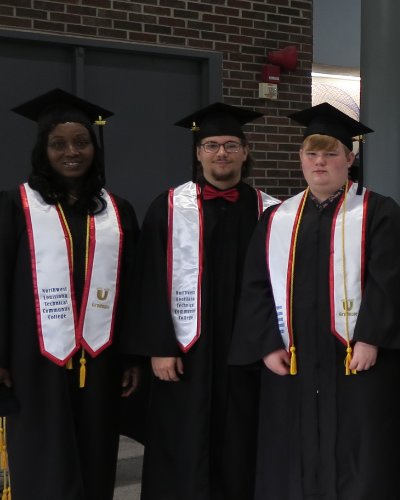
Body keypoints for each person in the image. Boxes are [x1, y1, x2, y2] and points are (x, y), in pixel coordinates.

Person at [229, 103, 400, 500]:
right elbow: (256, 287)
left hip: (357, 357)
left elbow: (392, 281)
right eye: (311, 153)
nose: (320, 162)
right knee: (292, 451)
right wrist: (266, 344)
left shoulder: (378, 213)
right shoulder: (277, 218)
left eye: (331, 153)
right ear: (300, 158)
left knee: (363, 451)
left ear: (350, 158)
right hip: (295, 357)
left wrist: (370, 338)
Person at [130, 102, 280, 500]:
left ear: (246, 152)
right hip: (185, 354)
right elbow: (148, 283)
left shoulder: (272, 212)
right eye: (211, 145)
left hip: (246, 353)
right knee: (183, 441)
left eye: (231, 145)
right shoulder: (167, 207)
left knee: (241, 442)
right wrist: (159, 348)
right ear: (198, 153)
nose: (221, 154)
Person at [0, 88, 141, 500]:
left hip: (101, 358)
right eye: (58, 144)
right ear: (43, 150)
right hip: (34, 359)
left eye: (81, 142)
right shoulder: (15, 206)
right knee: (42, 454)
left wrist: (132, 355)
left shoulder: (117, 210)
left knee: (96, 453)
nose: (71, 152)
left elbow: (132, 288)